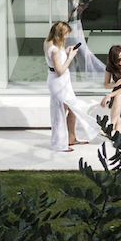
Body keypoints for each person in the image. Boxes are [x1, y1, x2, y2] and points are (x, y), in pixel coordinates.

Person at [46, 20, 99, 152]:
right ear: (60, 34)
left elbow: (58, 56)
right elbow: (59, 70)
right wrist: (70, 57)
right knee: (60, 112)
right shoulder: (54, 50)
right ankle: (59, 144)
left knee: (73, 109)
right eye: (65, 34)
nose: (66, 37)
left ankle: (71, 137)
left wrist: (66, 50)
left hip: (63, 82)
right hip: (59, 82)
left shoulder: (49, 43)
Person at [64, 0, 101, 74]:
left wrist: (80, 10)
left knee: (83, 53)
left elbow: (76, 16)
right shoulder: (63, 1)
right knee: (78, 52)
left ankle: (89, 73)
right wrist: (76, 11)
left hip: (76, 25)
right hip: (71, 28)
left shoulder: (73, 0)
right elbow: (66, 17)